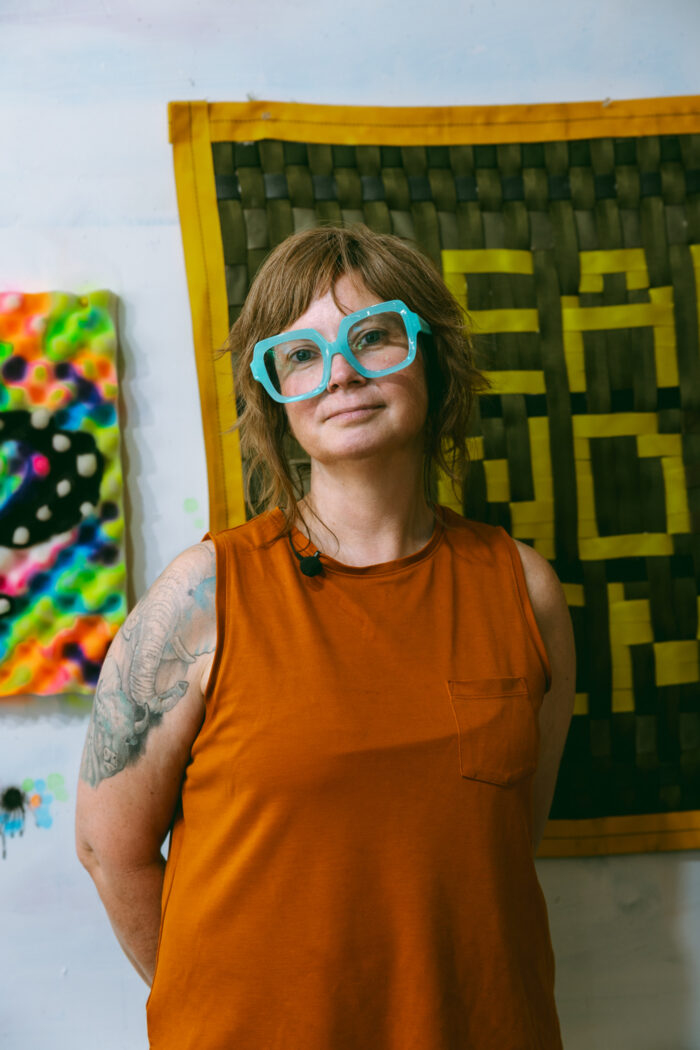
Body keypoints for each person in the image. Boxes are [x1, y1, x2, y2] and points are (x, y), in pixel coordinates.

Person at [76, 224, 575, 1049]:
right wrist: (217, 1017)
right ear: (275, 391)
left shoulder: (522, 588)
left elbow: (511, 833)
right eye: (300, 353)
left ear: (432, 355)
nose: (340, 371)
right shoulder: (203, 594)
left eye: (372, 336)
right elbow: (108, 845)